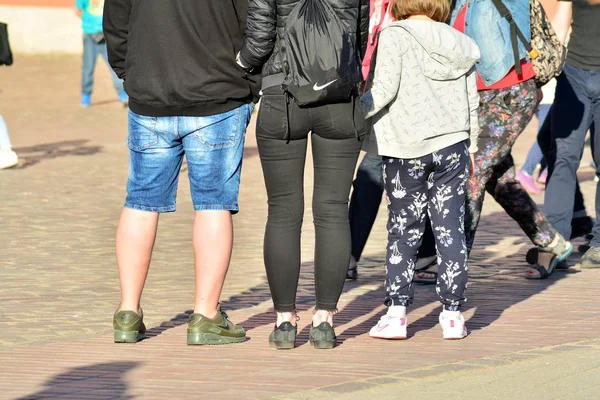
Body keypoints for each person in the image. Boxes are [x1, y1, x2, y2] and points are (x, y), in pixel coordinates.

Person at [103, 0, 259, 345]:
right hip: (218, 94)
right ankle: (205, 314)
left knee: (141, 202)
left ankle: (128, 312)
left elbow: (115, 27)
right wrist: (250, 80)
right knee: (214, 203)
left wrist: (133, 74)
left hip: (152, 94)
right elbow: (256, 22)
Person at [238, 0, 369, 349]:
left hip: (282, 96)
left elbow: (261, 36)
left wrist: (242, 63)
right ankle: (324, 320)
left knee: (282, 210)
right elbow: (360, 35)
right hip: (339, 95)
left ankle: (284, 321)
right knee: (332, 209)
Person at [362, 0, 480, 340]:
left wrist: (354, 112)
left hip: (405, 146)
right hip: (452, 146)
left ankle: (397, 313)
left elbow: (382, 91)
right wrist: (471, 145)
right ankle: (454, 314)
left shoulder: (395, 35)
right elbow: (471, 100)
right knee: (450, 229)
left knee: (404, 228)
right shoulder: (459, 42)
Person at [450, 0, 572, 279]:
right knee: (499, 180)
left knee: (474, 171)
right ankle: (551, 242)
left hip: (511, 94)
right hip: (474, 98)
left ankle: (454, 264)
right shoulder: (455, 3)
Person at [348, 0, 438, 284]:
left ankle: (425, 254)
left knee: (403, 177)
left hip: (405, 103)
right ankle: (349, 255)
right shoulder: (368, 5)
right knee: (368, 179)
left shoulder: (413, 6)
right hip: (367, 96)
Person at [542, 0, 600, 268]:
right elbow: (559, 29)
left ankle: (598, 244)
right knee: (563, 158)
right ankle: (557, 242)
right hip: (573, 76)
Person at [75, 0, 127, 108]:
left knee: (115, 65)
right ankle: (86, 96)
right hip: (90, 36)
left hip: (105, 37)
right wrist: (89, 24)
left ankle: (122, 94)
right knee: (88, 67)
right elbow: (78, 11)